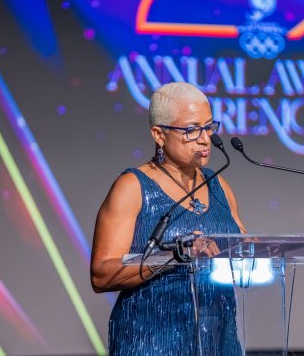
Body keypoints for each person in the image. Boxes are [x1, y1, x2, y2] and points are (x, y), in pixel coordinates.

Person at [91, 82, 247, 355]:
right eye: (191, 130)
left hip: (218, 342)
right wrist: (175, 255)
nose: (204, 139)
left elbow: (244, 256)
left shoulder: (219, 186)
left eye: (209, 127)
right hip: (151, 342)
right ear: (159, 135)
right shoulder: (132, 187)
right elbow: (101, 274)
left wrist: (251, 253)